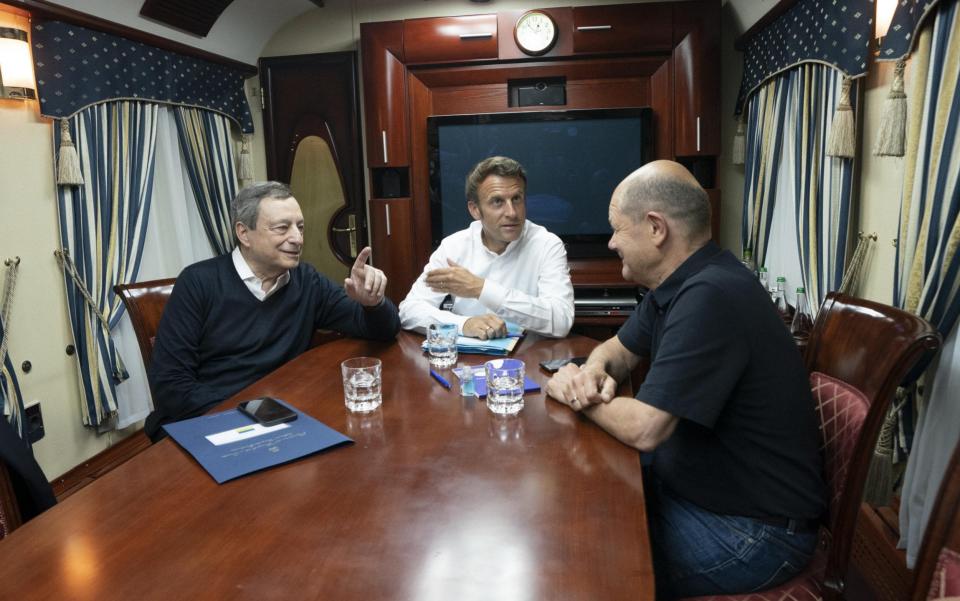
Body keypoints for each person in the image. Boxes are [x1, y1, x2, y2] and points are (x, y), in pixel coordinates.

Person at [545, 161, 825, 598]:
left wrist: (575, 394)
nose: (612, 241)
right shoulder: (679, 283)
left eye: (617, 228)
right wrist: (593, 372)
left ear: (656, 228)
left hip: (754, 534)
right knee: (573, 512)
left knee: (583, 564)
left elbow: (645, 428)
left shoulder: (710, 295)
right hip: (702, 493)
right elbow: (616, 350)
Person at [145, 182, 400, 441]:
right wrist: (254, 412)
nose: (297, 238)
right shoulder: (198, 282)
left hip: (282, 419)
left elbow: (384, 330)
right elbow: (170, 384)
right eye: (282, 228)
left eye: (300, 227)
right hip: (211, 420)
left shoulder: (306, 281)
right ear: (244, 233)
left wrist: (373, 302)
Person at [399, 156, 574, 339]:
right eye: (497, 202)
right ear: (475, 210)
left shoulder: (547, 245)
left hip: (530, 359)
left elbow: (561, 321)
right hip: (468, 363)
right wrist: (464, 324)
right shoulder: (454, 247)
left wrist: (480, 289)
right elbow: (409, 311)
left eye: (516, 199)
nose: (512, 212)